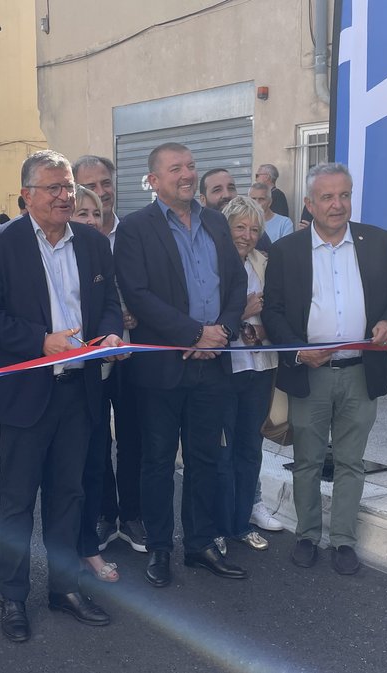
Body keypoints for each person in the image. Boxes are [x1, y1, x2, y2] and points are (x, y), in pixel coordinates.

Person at [0, 150, 124, 642]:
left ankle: (65, 588)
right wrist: (40, 342)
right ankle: (13, 599)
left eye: (69, 188)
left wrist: (114, 335)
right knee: (16, 503)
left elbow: (109, 305)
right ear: (26, 196)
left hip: (79, 392)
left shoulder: (94, 246)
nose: (66, 196)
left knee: (69, 496)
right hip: (25, 394)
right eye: (54, 188)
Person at [262, 162, 387, 576]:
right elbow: (273, 313)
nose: (337, 204)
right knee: (307, 460)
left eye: (344, 195)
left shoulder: (378, 242)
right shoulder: (287, 250)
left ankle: (343, 540)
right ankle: (307, 534)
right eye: (326, 197)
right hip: (310, 374)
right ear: (309, 203)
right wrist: (296, 352)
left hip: (362, 372)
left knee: (350, 461)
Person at [114, 142, 249, 588]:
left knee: (205, 459)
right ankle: (159, 548)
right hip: (163, 368)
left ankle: (200, 544)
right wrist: (193, 333)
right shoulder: (136, 228)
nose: (187, 174)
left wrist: (222, 331)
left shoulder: (214, 221)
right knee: (156, 461)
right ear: (153, 180)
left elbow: (236, 281)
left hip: (213, 362)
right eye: (176, 169)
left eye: (191, 166)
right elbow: (138, 294)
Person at [72, 155, 146, 553]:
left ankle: (133, 515)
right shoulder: (74, 232)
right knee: (95, 437)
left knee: (134, 436)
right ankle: (105, 513)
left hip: (136, 352)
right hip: (91, 356)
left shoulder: (135, 230)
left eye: (105, 183)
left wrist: (138, 315)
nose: (100, 192)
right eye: (90, 186)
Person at [216, 196, 280, 553]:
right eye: (240, 226)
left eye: (254, 229)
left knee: (250, 446)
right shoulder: (215, 264)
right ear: (227, 228)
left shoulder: (264, 263)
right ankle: (221, 526)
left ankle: (242, 523)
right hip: (227, 369)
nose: (247, 235)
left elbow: (277, 310)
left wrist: (262, 328)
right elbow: (208, 312)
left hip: (261, 365)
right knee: (223, 453)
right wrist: (243, 310)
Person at [70, 186, 122, 582]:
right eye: (81, 212)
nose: (89, 220)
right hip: (55, 382)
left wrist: (110, 334)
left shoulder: (101, 254)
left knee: (92, 464)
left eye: (95, 214)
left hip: (97, 379)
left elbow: (110, 307)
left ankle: (88, 544)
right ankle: (66, 547)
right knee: (62, 474)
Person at [249, 182, 294, 254]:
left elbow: (286, 251)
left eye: (261, 199)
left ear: (270, 202)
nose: (256, 203)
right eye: (253, 199)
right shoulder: (244, 222)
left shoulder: (284, 223)